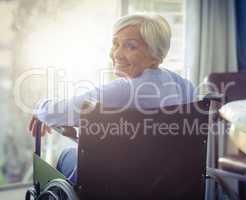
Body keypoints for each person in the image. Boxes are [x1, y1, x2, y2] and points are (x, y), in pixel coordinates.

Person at [28, 14, 196, 183]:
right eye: (115, 44)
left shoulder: (123, 91)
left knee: (66, 155)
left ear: (155, 55)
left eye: (130, 46)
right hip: (165, 184)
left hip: (118, 183)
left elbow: (56, 112)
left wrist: (42, 106)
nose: (117, 53)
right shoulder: (184, 85)